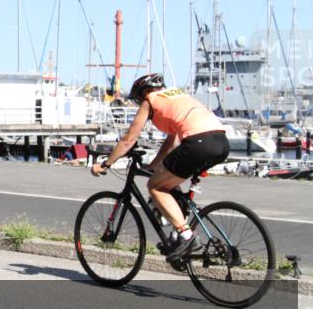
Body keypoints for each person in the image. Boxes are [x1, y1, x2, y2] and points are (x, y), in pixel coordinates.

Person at [90, 73, 229, 265]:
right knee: (168, 183)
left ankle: (187, 236)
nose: (139, 104)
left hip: (198, 143)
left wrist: (106, 164)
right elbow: (171, 142)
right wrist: (153, 165)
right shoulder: (175, 96)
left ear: (144, 93)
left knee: (155, 187)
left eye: (138, 100)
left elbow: (129, 139)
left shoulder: (150, 100)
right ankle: (176, 236)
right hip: (221, 142)